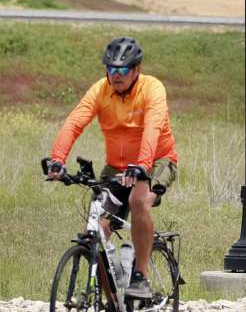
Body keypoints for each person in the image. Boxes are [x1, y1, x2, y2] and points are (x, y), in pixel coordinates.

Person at [46, 37, 178, 299]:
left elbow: (152, 129)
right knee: (96, 229)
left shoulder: (152, 89)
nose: (116, 75)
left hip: (156, 161)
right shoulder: (100, 91)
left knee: (139, 201)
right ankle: (113, 300)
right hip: (117, 168)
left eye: (123, 69)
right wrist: (57, 160)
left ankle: (140, 277)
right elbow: (74, 122)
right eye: (111, 69)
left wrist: (142, 166)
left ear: (136, 70)